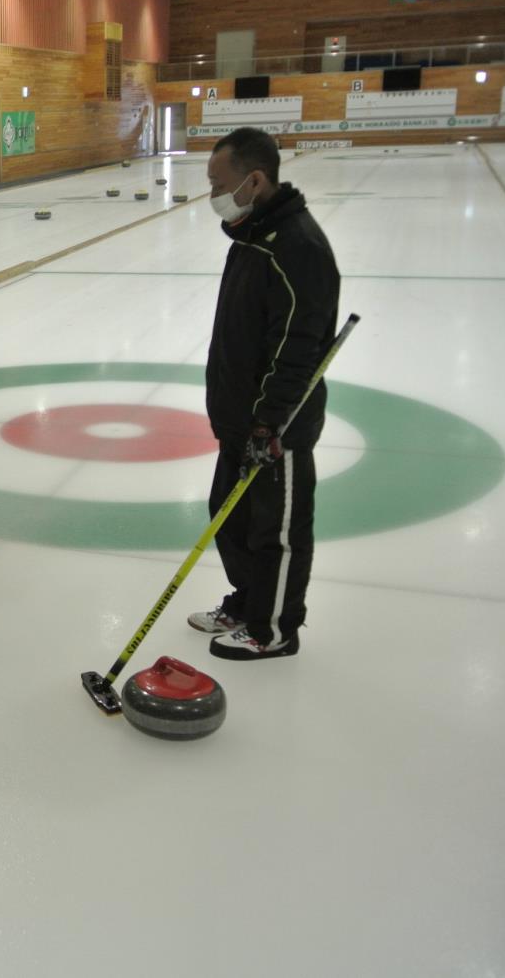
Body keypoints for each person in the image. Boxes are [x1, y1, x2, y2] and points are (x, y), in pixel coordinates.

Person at [187, 126, 340, 661]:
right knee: (230, 517)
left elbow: (296, 350)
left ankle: (272, 628)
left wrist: (267, 424)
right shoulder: (254, 235)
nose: (211, 194)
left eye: (217, 183)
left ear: (254, 180)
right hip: (239, 419)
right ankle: (249, 600)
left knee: (275, 530)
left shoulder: (297, 247)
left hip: (276, 427)